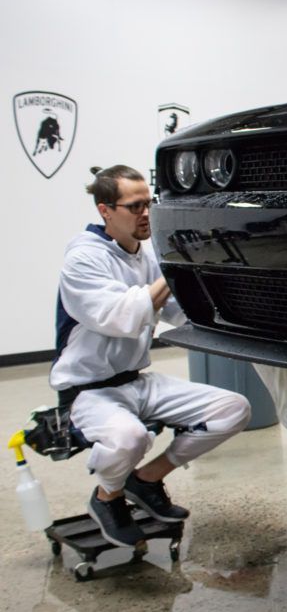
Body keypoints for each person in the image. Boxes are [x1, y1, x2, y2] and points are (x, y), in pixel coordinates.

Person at [50, 165, 251, 548]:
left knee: (232, 409)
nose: (146, 213)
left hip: (137, 381)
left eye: (150, 203)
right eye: (135, 206)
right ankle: (107, 499)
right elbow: (123, 317)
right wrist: (178, 260)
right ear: (105, 210)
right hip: (88, 391)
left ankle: (144, 480)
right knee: (130, 438)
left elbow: (179, 310)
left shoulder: (146, 256)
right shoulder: (83, 258)